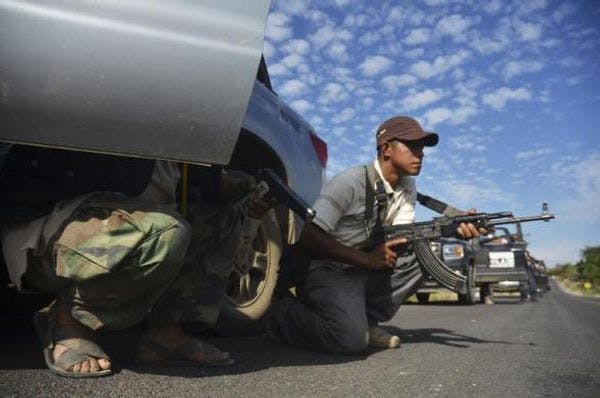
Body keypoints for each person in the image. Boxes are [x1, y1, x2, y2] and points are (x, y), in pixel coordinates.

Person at [0, 144, 268, 377]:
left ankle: (165, 336)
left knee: (221, 216)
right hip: (52, 222)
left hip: (120, 222)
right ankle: (69, 321)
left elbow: (190, 182)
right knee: (163, 232)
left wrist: (230, 186)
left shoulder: (184, 121)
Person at [269, 116, 485, 354]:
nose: (420, 154)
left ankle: (367, 322)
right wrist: (367, 260)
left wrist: (451, 227)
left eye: (421, 149)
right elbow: (310, 236)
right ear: (386, 149)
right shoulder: (350, 181)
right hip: (328, 270)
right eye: (412, 147)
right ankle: (282, 315)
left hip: (363, 269)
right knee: (349, 340)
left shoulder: (407, 186)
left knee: (421, 255)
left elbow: (402, 237)